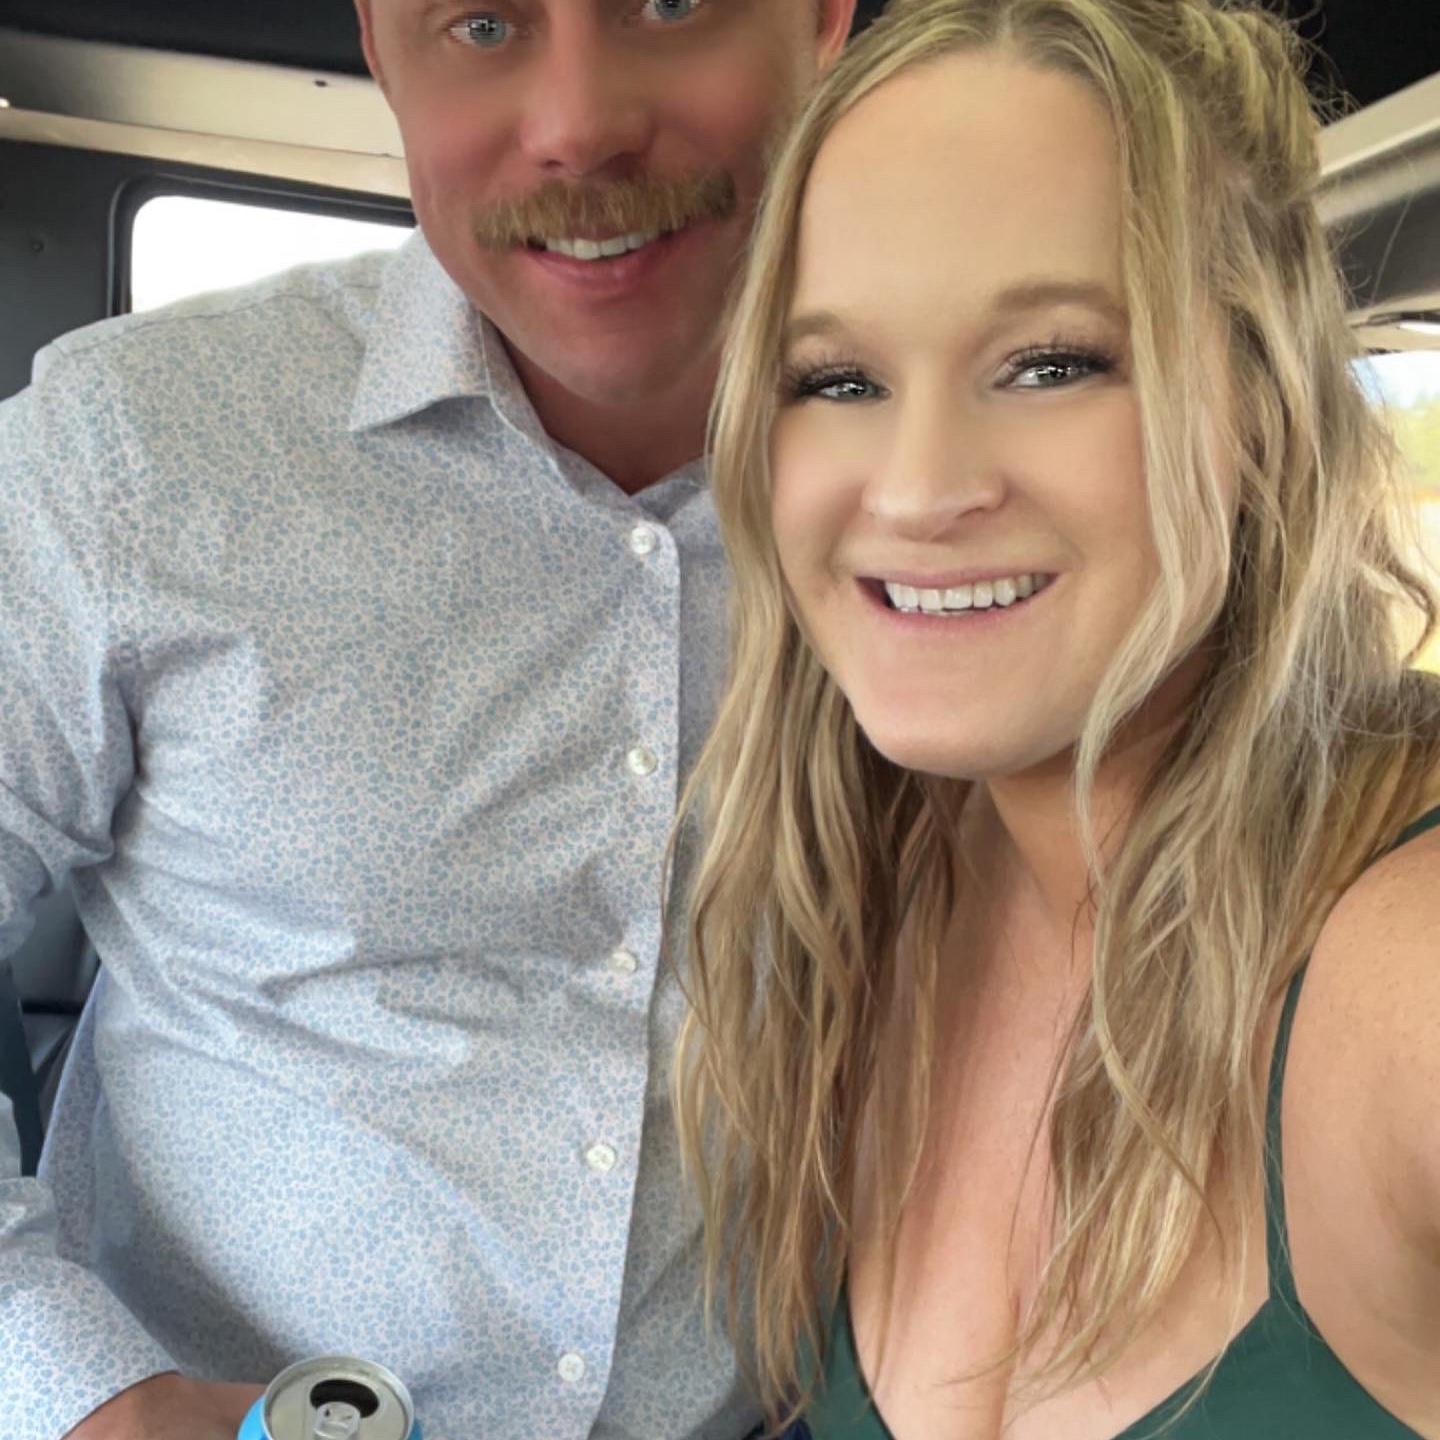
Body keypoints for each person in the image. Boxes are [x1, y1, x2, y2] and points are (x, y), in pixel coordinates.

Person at [0, 2, 857, 1437]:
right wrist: (88, 1398)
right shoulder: (126, 452)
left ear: (824, 18)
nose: (579, 124)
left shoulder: (948, 501)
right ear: (380, 50)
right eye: (481, 22)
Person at [675, 0, 1440, 1436]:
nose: (916, 489)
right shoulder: (880, 888)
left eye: (1051, 363)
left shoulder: (1408, 974)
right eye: (838, 379)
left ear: (1260, 395)